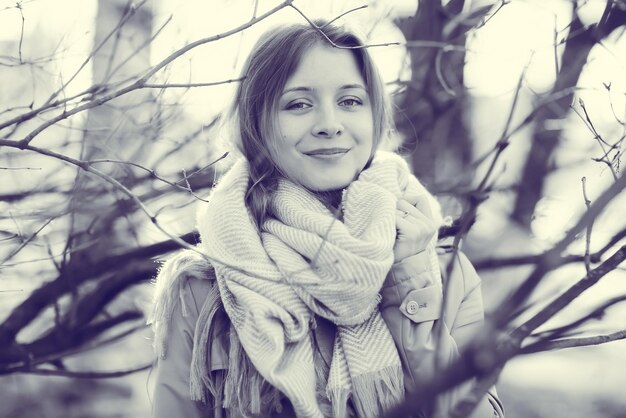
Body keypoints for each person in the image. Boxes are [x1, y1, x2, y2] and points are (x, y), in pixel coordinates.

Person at [148, 20, 504, 418]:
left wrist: (407, 279)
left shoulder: (442, 271)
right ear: (257, 125)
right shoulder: (204, 287)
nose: (330, 124)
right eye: (298, 104)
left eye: (351, 101)